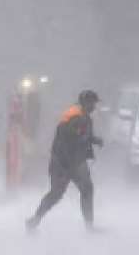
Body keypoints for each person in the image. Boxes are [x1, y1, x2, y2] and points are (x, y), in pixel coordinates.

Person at [26, 90, 104, 231]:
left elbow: (83, 136)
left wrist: (95, 140)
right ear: (85, 103)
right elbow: (68, 139)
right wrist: (67, 164)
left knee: (86, 189)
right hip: (64, 163)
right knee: (57, 193)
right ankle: (34, 221)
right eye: (92, 103)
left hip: (74, 161)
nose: (94, 106)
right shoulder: (75, 117)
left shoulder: (83, 117)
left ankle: (89, 227)